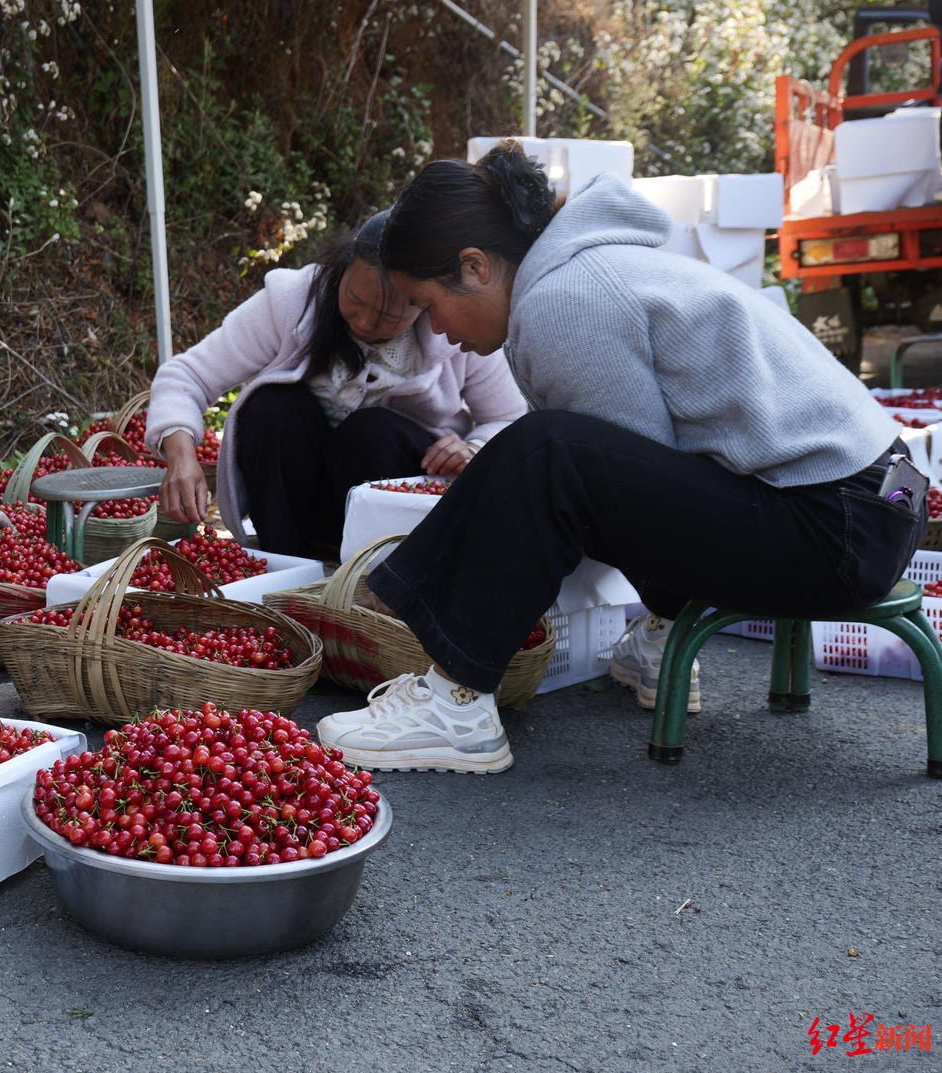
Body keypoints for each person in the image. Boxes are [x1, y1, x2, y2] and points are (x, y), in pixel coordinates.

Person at [314, 141, 920, 774]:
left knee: (546, 450)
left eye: (430, 306)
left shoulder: (565, 298)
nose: (436, 331)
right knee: (547, 449)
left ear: (475, 268)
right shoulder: (593, 268)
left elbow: (606, 485)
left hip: (837, 529)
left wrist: (469, 551)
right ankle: (655, 638)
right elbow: (648, 478)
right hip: (881, 505)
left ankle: (456, 705)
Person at [144, 209, 527, 560]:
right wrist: (181, 455)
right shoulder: (291, 302)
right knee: (271, 408)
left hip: (399, 516)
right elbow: (187, 376)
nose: (363, 323)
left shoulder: (453, 326)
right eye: (354, 300)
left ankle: (384, 577)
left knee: (370, 432)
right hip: (300, 505)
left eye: (388, 317)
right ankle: (288, 567)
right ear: (342, 271)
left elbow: (510, 419)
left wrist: (472, 448)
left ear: (425, 303)